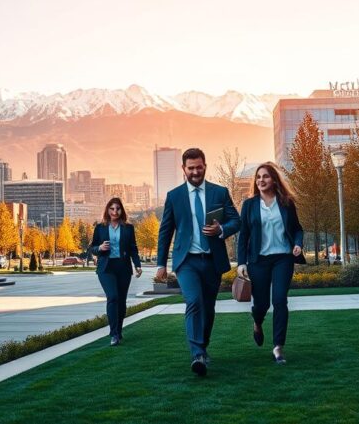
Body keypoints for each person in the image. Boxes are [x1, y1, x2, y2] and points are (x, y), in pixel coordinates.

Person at [156, 147, 240, 376]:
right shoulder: (174, 196)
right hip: (186, 262)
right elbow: (166, 231)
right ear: (183, 169)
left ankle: (203, 347)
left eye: (199, 167)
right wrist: (160, 263)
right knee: (193, 301)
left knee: (209, 307)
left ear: (205, 166)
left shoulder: (219, 192)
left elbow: (236, 220)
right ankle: (197, 354)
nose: (195, 171)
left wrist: (221, 228)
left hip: (212, 260)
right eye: (190, 168)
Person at [236, 162, 304, 365]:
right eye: (258, 177)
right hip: (259, 261)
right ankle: (257, 321)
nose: (261, 180)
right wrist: (241, 263)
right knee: (262, 304)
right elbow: (243, 236)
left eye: (265, 176)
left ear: (274, 179)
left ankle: (278, 347)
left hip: (282, 258)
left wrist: (298, 244)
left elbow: (298, 229)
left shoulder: (286, 202)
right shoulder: (249, 205)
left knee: (280, 300)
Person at [89, 197, 143, 346]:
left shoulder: (128, 228)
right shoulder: (100, 227)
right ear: (107, 210)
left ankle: (118, 331)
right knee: (112, 297)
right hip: (106, 268)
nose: (115, 211)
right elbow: (92, 248)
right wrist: (99, 248)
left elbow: (133, 248)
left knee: (121, 301)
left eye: (117, 209)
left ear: (122, 210)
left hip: (123, 267)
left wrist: (137, 265)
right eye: (112, 209)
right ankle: (113, 334)